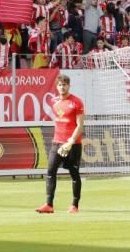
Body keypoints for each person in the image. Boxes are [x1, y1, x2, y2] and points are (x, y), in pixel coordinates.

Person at [36, 73, 84, 214]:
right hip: (57, 142)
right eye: (60, 85)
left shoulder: (76, 102)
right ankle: (49, 205)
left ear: (69, 86)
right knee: (50, 171)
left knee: (74, 173)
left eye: (64, 85)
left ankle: (74, 206)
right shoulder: (53, 101)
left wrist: (71, 141)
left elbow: (80, 125)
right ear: (56, 87)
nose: (62, 87)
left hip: (72, 145)